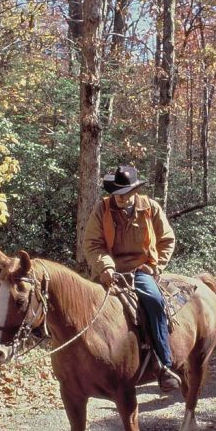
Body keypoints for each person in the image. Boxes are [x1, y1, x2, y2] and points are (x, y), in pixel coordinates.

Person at [83, 164, 181, 393]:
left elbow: (167, 239)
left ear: (135, 191)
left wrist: (154, 266)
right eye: (117, 193)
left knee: (154, 302)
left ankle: (163, 363)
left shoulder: (150, 208)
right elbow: (92, 243)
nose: (120, 197)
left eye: (125, 193)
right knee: (85, 306)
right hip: (110, 271)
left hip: (140, 270)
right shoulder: (102, 209)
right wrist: (105, 266)